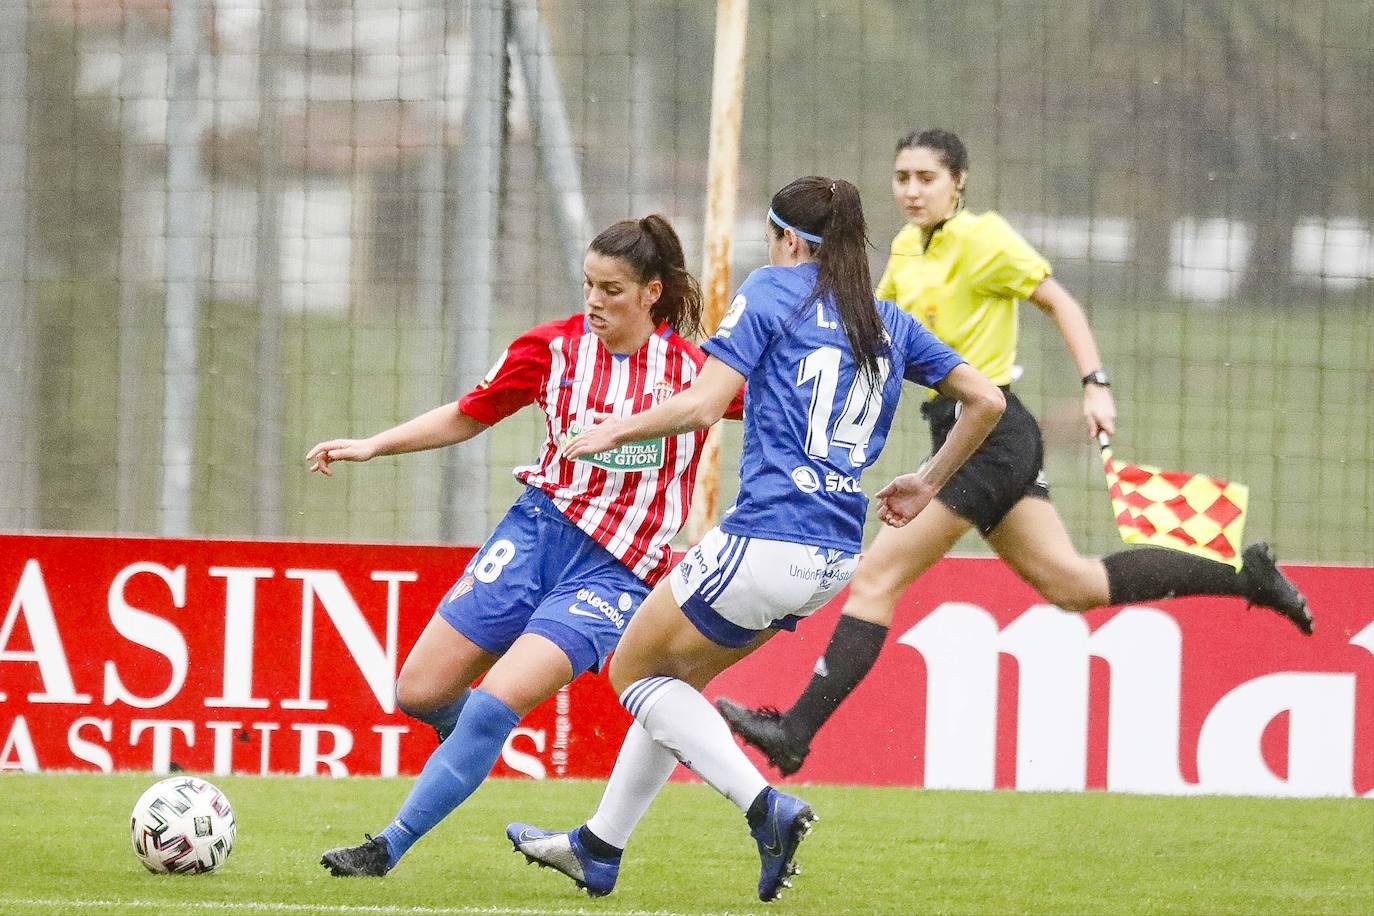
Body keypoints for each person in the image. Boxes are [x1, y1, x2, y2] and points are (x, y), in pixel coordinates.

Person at [716, 128, 1315, 778]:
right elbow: (868, 335)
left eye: (927, 177)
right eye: (902, 178)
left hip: (992, 433)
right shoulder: (906, 251)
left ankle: (795, 731)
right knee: (1073, 584)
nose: (912, 190)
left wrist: (1095, 383)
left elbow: (1060, 301)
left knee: (876, 578)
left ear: (959, 183)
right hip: (967, 434)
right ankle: (1245, 576)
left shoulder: (984, 238)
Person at [505, 176, 1005, 902]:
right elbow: (987, 400)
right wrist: (927, 481)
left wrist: (616, 427)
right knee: (674, 687)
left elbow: (706, 404)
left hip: (766, 535)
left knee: (631, 674)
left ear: (789, 240)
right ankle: (599, 847)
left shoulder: (774, 290)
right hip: (833, 556)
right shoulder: (886, 320)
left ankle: (764, 807)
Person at [308, 215, 725, 877]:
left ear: (651, 293)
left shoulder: (698, 374)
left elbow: (776, 406)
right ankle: (471, 741)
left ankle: (387, 846)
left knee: (497, 701)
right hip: (534, 534)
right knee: (418, 692)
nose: (593, 300)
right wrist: (373, 445)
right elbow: (467, 414)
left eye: (611, 289)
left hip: (616, 568)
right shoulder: (551, 349)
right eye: (588, 284)